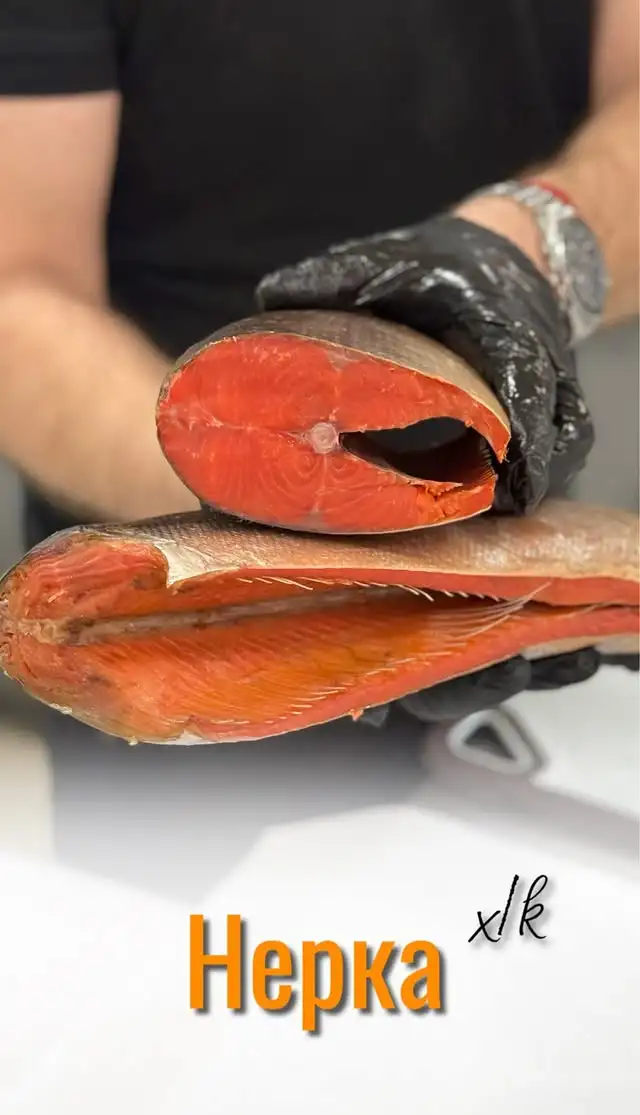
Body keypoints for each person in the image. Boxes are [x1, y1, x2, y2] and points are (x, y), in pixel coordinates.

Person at [0, 0, 638, 736]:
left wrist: (523, 252)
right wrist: (278, 553)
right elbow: (19, 287)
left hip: (511, 541)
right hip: (168, 614)